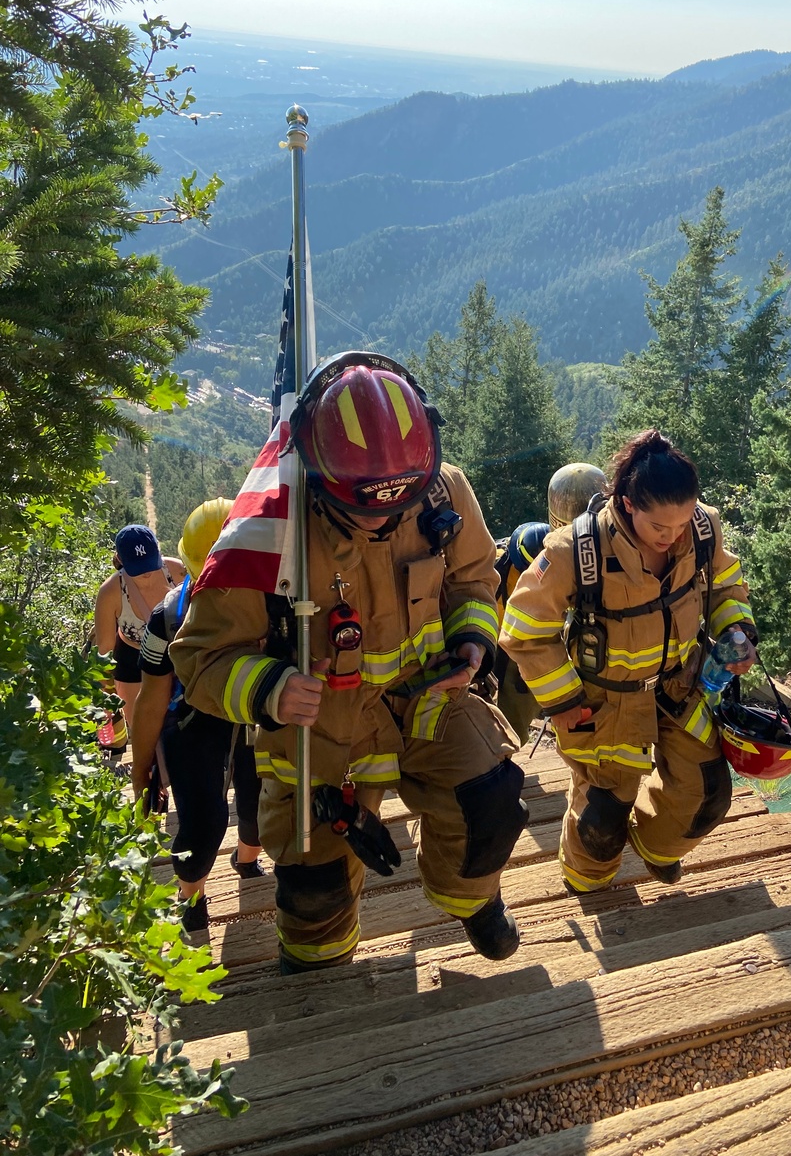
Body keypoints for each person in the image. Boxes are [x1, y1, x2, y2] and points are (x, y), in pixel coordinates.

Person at [172, 352, 529, 973]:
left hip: (427, 704)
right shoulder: (269, 526)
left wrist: (473, 641)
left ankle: (469, 898)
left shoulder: (441, 490)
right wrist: (269, 687)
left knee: (491, 797)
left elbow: (474, 577)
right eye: (365, 506)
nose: (384, 516)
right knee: (316, 899)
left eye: (396, 502)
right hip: (322, 735)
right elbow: (200, 658)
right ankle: (319, 963)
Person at [499, 430, 757, 894]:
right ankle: (587, 884)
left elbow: (726, 587)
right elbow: (523, 627)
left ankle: (657, 851)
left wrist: (737, 630)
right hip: (605, 703)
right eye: (661, 528)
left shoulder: (702, 529)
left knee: (709, 794)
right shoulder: (574, 550)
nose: (672, 538)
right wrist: (562, 700)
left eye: (682, 524)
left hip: (682, 686)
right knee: (602, 819)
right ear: (628, 503)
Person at [131, 499, 264, 934]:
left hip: (252, 715)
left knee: (257, 805)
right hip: (191, 720)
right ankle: (192, 895)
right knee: (203, 823)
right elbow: (151, 700)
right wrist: (143, 767)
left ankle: (246, 861)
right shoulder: (167, 617)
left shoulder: (276, 606)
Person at [493, 466, 606, 744]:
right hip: (509, 645)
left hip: (544, 642)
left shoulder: (556, 553)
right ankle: (504, 755)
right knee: (512, 707)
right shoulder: (502, 568)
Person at [93, 525, 184, 734]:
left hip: (178, 654)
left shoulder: (178, 571)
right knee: (144, 730)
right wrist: (106, 701)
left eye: (150, 564)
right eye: (138, 567)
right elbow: (104, 651)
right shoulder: (110, 592)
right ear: (121, 561)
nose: (146, 573)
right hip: (134, 661)